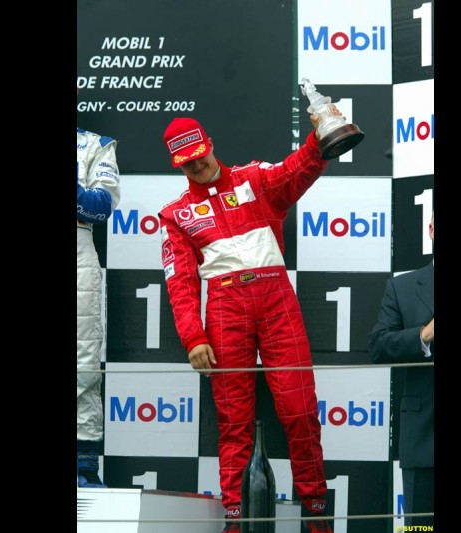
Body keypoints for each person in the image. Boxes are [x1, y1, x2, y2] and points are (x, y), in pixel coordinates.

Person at [158, 114, 341, 533]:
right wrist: (193, 337)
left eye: (199, 155)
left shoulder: (255, 179)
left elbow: (298, 171)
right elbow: (180, 284)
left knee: (299, 413)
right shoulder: (176, 215)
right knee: (234, 421)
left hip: (277, 300)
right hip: (224, 309)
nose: (196, 165)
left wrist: (321, 137)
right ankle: (236, 521)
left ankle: (317, 516)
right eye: (186, 162)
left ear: (210, 143)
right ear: (177, 165)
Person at [367, 213, 434, 527]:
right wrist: (424, 335)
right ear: (431, 230)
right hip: (425, 440)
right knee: (421, 528)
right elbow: (378, 346)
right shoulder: (403, 286)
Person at [77, 121, 122, 488]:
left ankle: (83, 468)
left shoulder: (97, 145)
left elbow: (102, 206)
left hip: (79, 254)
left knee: (83, 361)